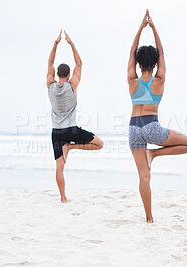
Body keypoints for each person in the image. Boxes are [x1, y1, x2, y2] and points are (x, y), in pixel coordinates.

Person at [127, 10, 187, 223]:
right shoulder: (159, 79)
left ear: (138, 64)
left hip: (133, 128)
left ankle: (149, 218)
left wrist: (140, 28)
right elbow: (162, 52)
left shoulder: (132, 79)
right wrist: (154, 28)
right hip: (151, 126)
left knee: (143, 176)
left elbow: (131, 52)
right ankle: (154, 155)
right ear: (155, 64)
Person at [47, 29, 104, 203]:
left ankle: (63, 198)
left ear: (57, 75)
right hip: (71, 131)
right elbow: (79, 63)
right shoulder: (73, 85)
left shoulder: (50, 85)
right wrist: (71, 44)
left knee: (59, 167)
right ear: (69, 75)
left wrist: (56, 43)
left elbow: (49, 62)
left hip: (56, 132)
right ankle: (70, 148)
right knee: (99, 144)